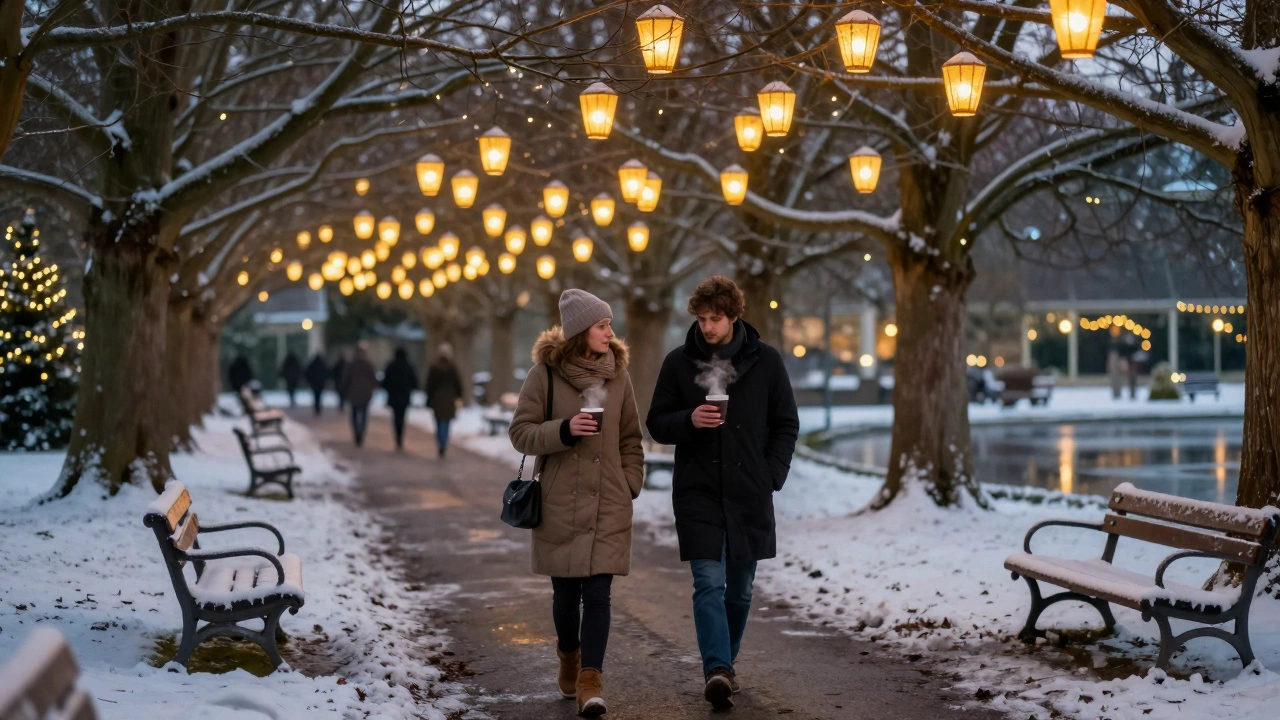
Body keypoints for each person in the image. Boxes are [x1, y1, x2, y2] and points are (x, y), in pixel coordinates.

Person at [646, 275, 799, 710]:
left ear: (734, 316)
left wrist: (770, 474)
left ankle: (724, 666)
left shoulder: (766, 362)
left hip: (750, 491)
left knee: (741, 590)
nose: (708, 327)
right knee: (708, 581)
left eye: (716, 318)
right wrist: (689, 421)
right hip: (697, 490)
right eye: (701, 318)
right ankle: (716, 668)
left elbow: (786, 423)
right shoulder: (679, 363)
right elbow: (656, 422)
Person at [508, 289, 644, 717]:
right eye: (602, 325)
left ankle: (591, 679)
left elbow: (630, 439)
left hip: (609, 501)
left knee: (599, 594)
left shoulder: (619, 376)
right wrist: (563, 431)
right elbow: (521, 433)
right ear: (581, 331)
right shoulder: (544, 375)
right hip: (560, 503)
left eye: (609, 324)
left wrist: (630, 483)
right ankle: (569, 654)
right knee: (565, 597)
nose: (610, 332)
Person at [424, 344, 463, 458]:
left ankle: (440, 443)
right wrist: (459, 396)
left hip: (437, 400)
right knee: (446, 423)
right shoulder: (453, 368)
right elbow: (458, 385)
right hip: (450, 400)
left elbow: (429, 385)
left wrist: (429, 397)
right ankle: (443, 443)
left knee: (438, 422)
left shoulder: (434, 368)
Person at [339, 343, 378, 447]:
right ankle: (361, 433)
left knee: (355, 414)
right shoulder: (368, 364)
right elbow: (373, 379)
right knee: (364, 415)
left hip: (354, 393)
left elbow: (346, 379)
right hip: (365, 393)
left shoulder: (352, 365)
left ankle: (357, 433)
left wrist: (345, 390)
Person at [382, 347, 419, 451]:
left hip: (394, 396)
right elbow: (414, 381)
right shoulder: (408, 366)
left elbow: (385, 382)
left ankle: (397, 436)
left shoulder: (391, 366)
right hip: (404, 396)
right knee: (402, 417)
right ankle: (400, 436)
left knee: (395, 417)